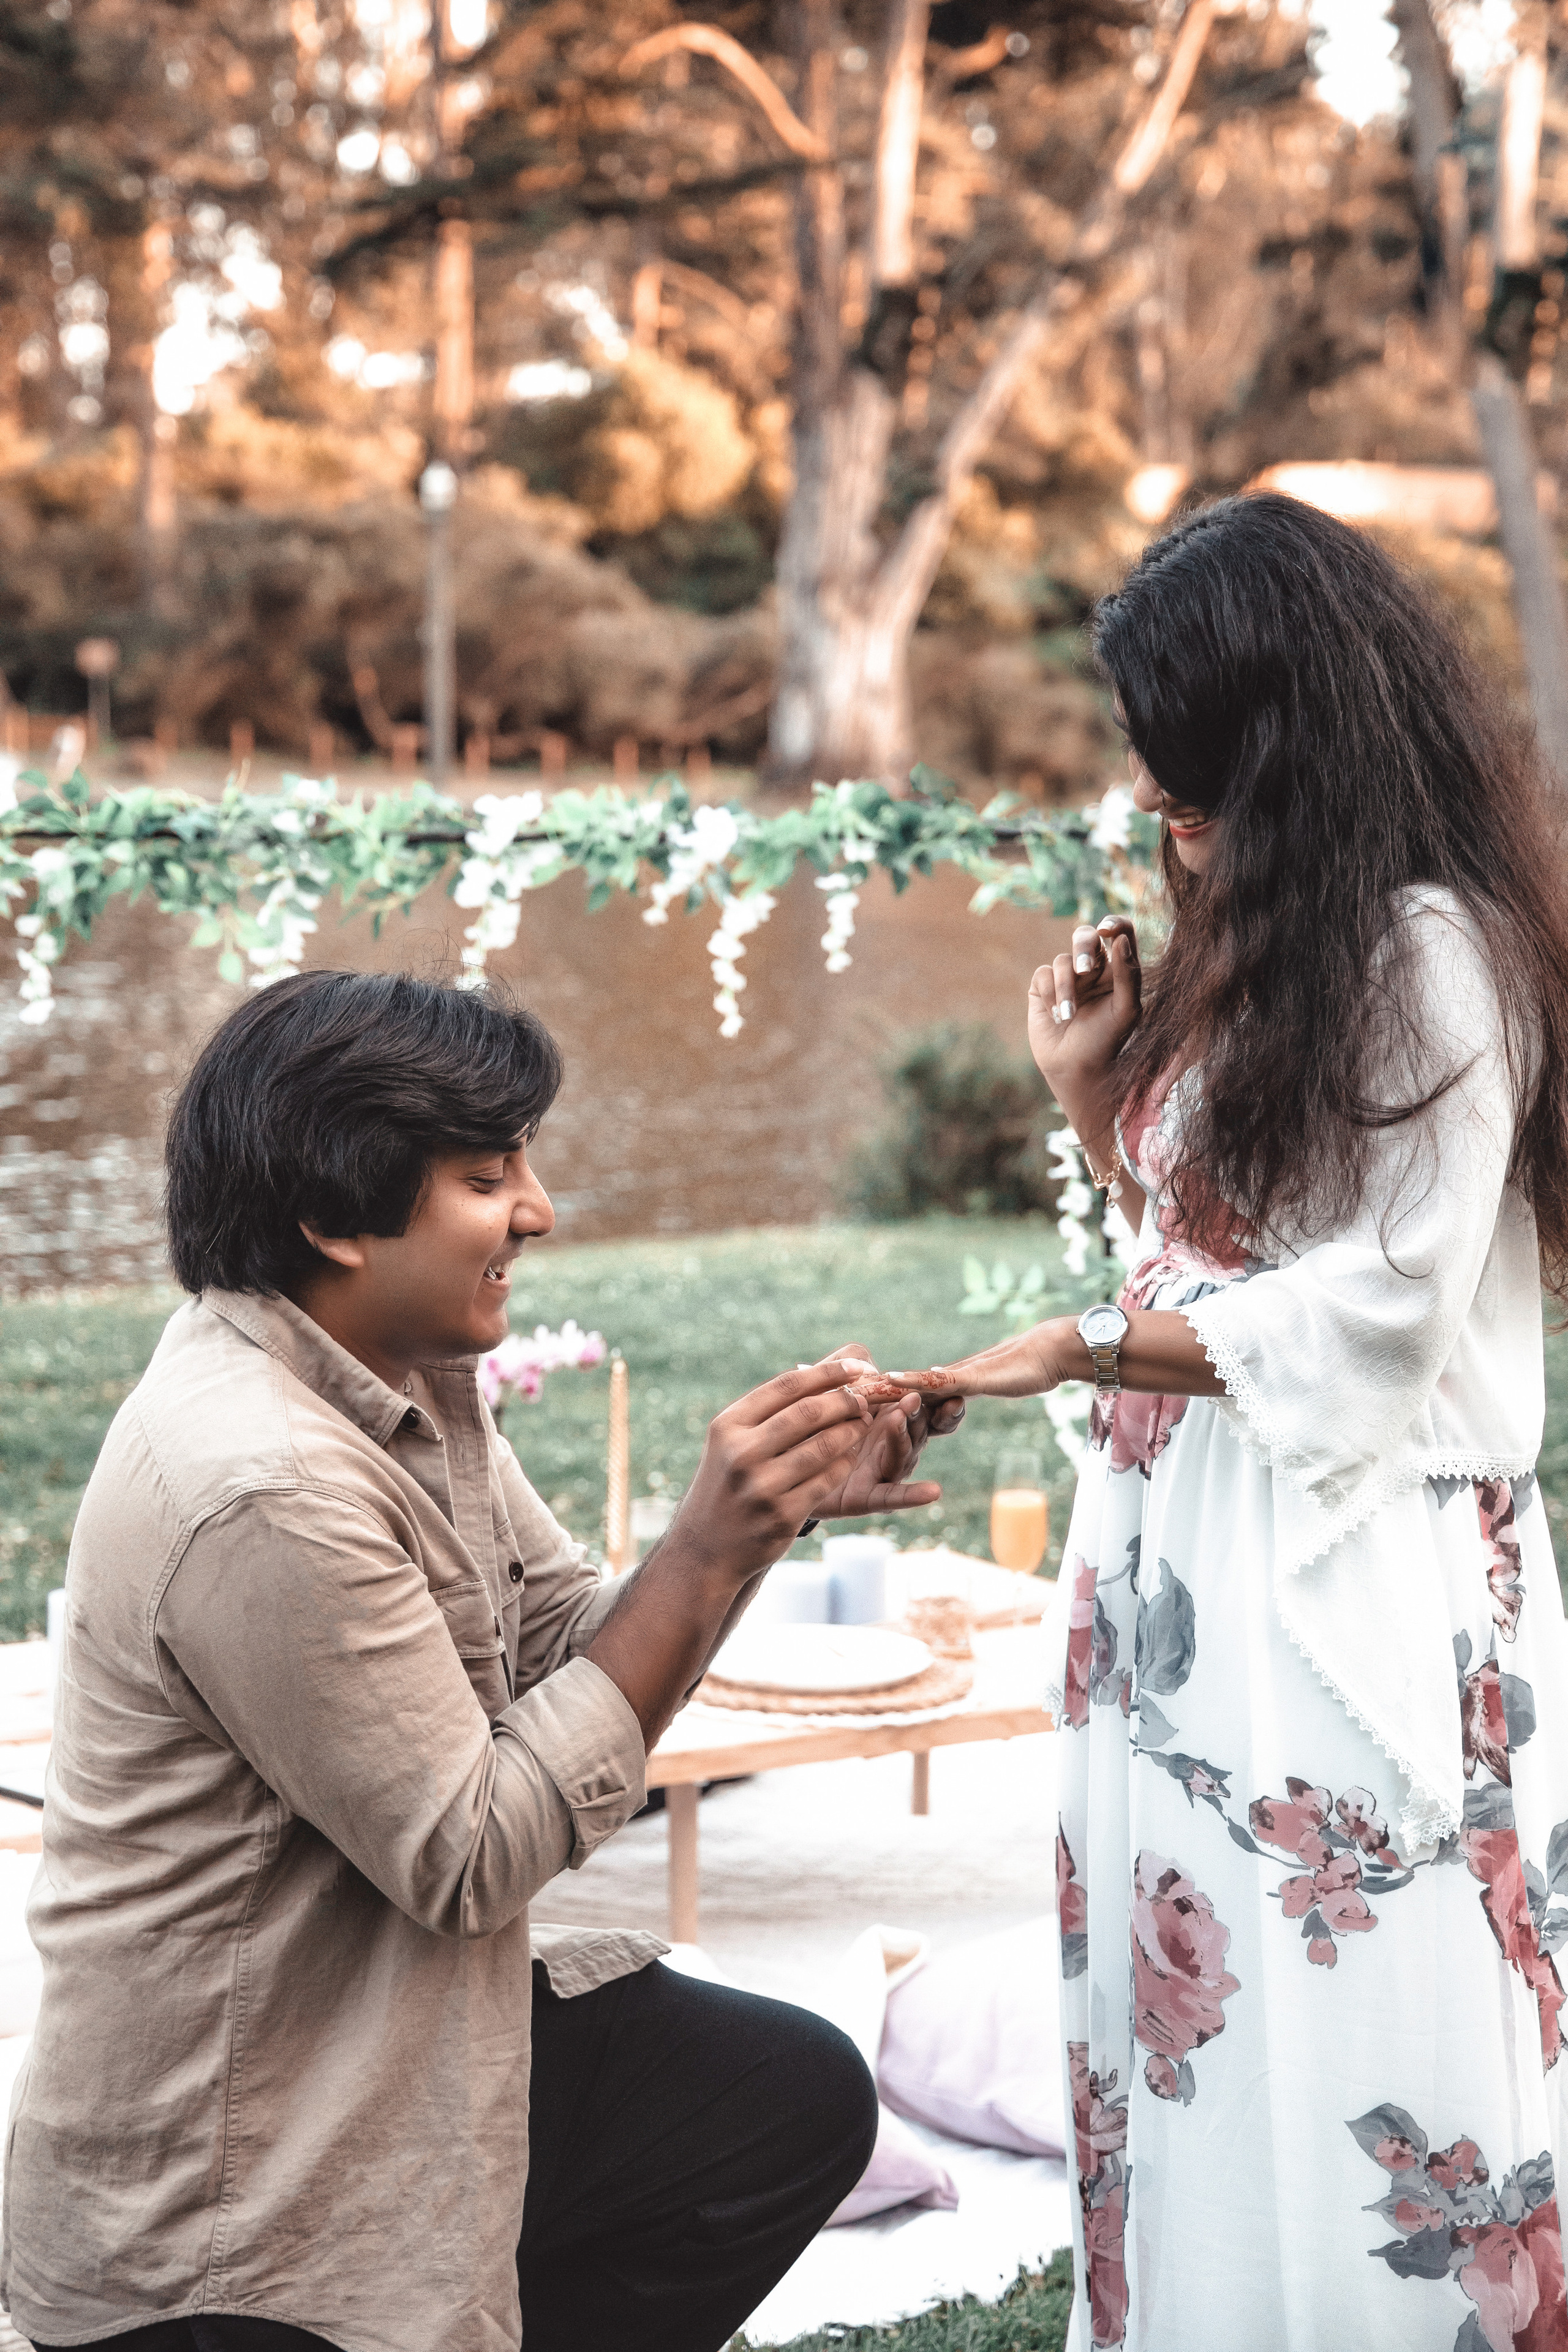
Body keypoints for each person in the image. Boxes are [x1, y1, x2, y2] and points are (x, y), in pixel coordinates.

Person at [1, 970, 963, 2352]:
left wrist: (764, 1519)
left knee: (783, 2098)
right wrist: (703, 1548)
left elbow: (565, 1643)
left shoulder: (395, 1372)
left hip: (389, 2030)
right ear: (332, 1217)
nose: (539, 1210)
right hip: (230, 2190)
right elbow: (471, 1857)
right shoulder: (263, 1484)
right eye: (486, 1176)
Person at [899, 492, 1568, 2349]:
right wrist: (1094, 1090)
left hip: (1342, 1547)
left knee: (1358, 1998)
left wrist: (1078, 1348)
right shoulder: (1278, 932)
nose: (1149, 791)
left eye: (1177, 753)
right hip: (1183, 1543)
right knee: (1197, 1993)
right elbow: (1219, 1249)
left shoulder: (1435, 954)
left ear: (1279, 735)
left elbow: (1374, 1311)